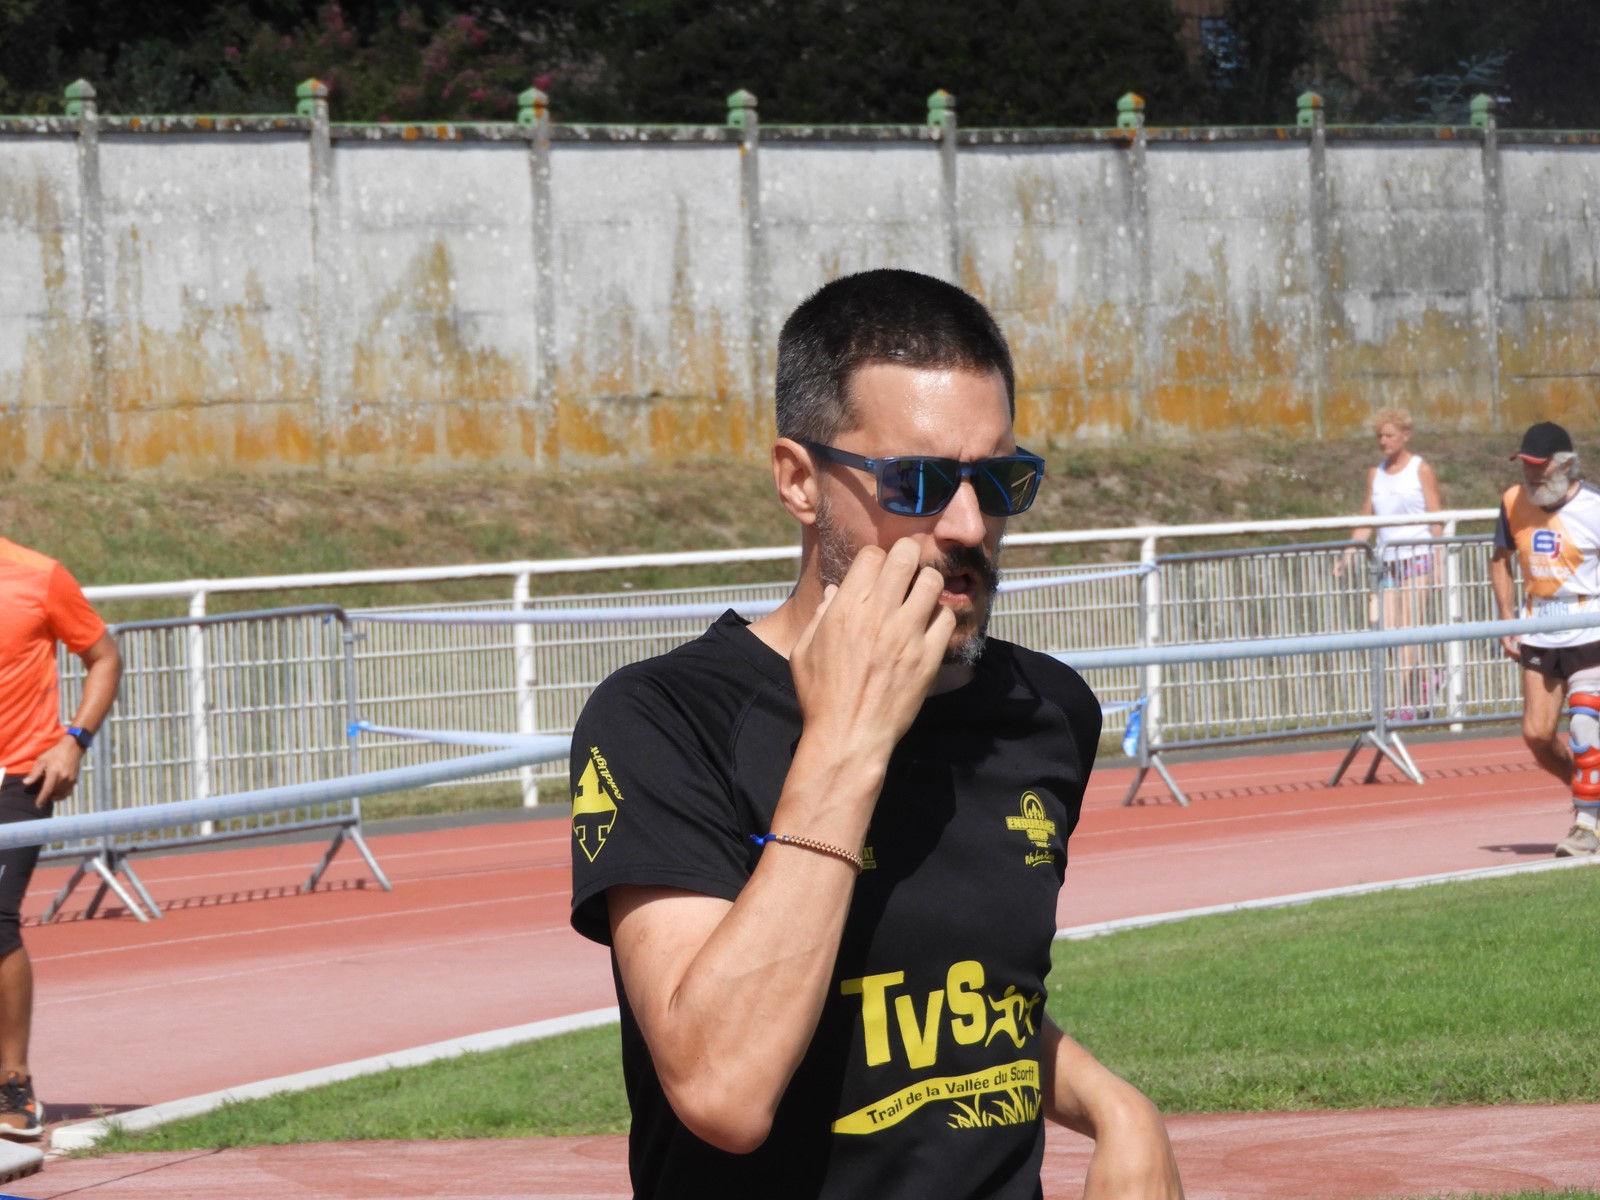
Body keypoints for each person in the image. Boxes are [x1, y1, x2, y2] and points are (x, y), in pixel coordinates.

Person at [569, 269, 1183, 1198]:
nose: (969, 525)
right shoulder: (666, 718)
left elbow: (965, 999)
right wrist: (847, 743)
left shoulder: (1047, 710)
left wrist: (1111, 1104)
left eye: (999, 479)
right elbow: (720, 1088)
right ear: (799, 480)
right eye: (920, 482)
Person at [0, 536, 121, 1138]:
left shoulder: (38, 576)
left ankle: (13, 1081)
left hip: (17, 776)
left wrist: (74, 740)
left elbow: (104, 657)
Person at [1490, 421, 1600, 858]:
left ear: (1565, 465)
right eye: (1526, 466)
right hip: (1539, 626)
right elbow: (1500, 559)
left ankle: (1586, 824)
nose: (1532, 475)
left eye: (1541, 466)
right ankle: (1590, 792)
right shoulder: (1513, 502)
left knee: (1584, 724)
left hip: (1590, 624)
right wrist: (1507, 618)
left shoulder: (1593, 507)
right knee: (1537, 734)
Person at [1335, 407, 1444, 718]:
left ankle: (1406, 703)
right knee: (1389, 631)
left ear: (1404, 436)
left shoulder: (1421, 469)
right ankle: (1429, 676)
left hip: (1417, 557)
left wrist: (1439, 561)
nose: (1383, 441)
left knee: (1407, 629)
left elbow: (1436, 517)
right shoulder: (1376, 473)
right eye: (1379, 436)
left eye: (1389, 435)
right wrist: (1348, 553)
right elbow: (1367, 518)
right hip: (1388, 561)